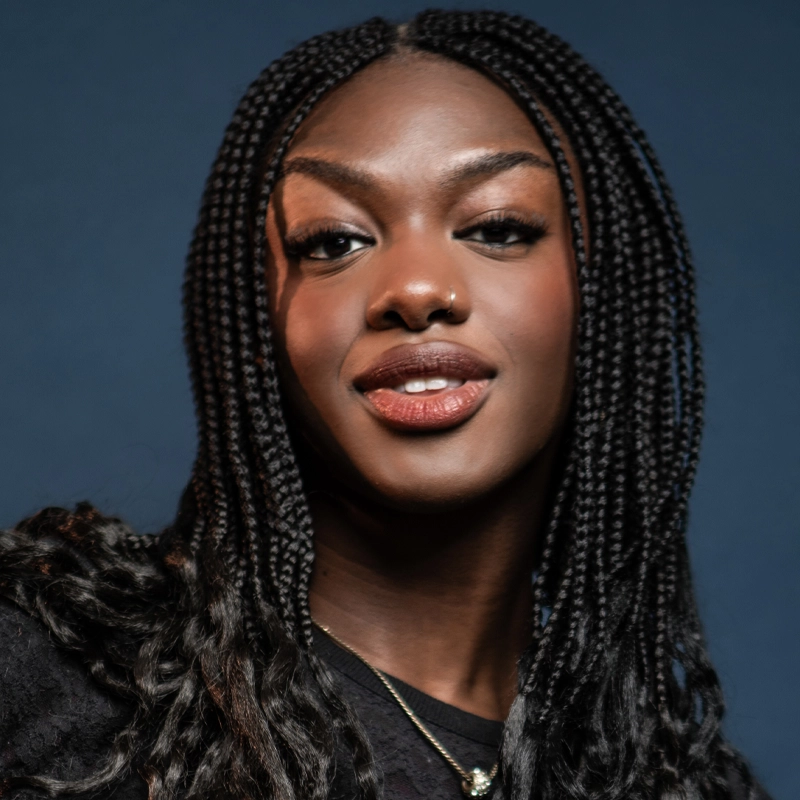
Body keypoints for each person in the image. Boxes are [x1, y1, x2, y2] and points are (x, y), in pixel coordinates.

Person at [0, 9, 772, 800]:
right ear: (252, 317)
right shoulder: (49, 675)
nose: (415, 289)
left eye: (498, 227)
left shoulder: (666, 781)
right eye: (333, 242)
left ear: (605, 295)